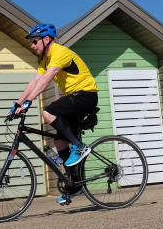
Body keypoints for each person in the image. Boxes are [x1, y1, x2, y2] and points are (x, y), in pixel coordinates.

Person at [11, 23, 99, 204]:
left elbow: (46, 81)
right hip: (75, 98)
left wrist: (29, 102)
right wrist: (18, 104)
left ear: (46, 39)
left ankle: (79, 146)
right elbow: (35, 81)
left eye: (35, 42)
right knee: (59, 143)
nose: (32, 45)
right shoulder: (46, 59)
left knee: (48, 111)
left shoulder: (59, 53)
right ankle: (74, 185)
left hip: (85, 95)